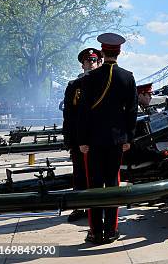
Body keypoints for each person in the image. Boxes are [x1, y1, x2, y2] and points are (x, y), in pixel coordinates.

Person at [77, 33, 137, 244]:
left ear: (102, 52)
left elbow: (83, 111)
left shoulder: (90, 78)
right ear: (119, 52)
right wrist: (129, 137)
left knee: (94, 186)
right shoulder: (128, 77)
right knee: (113, 184)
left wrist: (82, 140)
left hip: (93, 141)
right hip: (116, 140)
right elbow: (131, 111)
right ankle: (111, 231)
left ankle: (95, 232)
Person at [62, 48, 102, 222]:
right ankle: (79, 207)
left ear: (99, 62)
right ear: (82, 64)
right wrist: (69, 139)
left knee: (99, 175)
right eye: (88, 61)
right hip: (80, 139)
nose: (91, 63)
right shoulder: (74, 86)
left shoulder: (105, 83)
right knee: (79, 174)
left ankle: (99, 206)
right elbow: (69, 115)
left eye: (94, 60)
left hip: (100, 138)